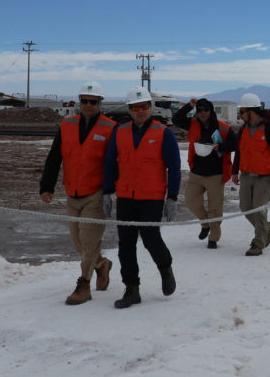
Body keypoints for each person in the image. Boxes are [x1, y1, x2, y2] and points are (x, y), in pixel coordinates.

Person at [39, 81, 118, 305]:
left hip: (96, 193)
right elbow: (54, 158)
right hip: (72, 193)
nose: (89, 105)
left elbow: (115, 163)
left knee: (89, 241)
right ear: (79, 101)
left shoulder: (110, 127)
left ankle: (84, 285)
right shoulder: (66, 125)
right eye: (85, 101)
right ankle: (102, 264)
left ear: (100, 103)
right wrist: (47, 186)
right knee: (79, 244)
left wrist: (110, 191)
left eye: (93, 102)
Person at [103, 87, 182, 308]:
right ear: (129, 109)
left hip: (152, 198)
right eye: (136, 107)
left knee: (151, 239)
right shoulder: (120, 132)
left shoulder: (163, 133)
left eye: (144, 106)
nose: (140, 111)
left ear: (151, 107)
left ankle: (165, 269)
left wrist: (173, 197)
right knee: (125, 245)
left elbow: (174, 168)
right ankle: (132, 289)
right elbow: (110, 164)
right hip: (126, 197)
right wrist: (107, 192)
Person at [172, 97, 236, 249]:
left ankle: (213, 238)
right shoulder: (192, 124)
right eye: (199, 110)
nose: (202, 113)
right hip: (196, 173)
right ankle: (205, 224)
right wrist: (189, 106)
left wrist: (220, 147)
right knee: (190, 201)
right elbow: (176, 119)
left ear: (211, 111)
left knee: (215, 208)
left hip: (216, 174)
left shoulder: (223, 128)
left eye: (205, 110)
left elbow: (235, 144)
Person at [232, 93, 270, 256]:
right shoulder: (243, 129)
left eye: (242, 112)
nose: (240, 115)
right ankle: (265, 228)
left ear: (251, 111)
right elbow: (239, 151)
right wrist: (235, 171)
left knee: (259, 209)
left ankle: (259, 243)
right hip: (246, 174)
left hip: (265, 176)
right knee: (246, 208)